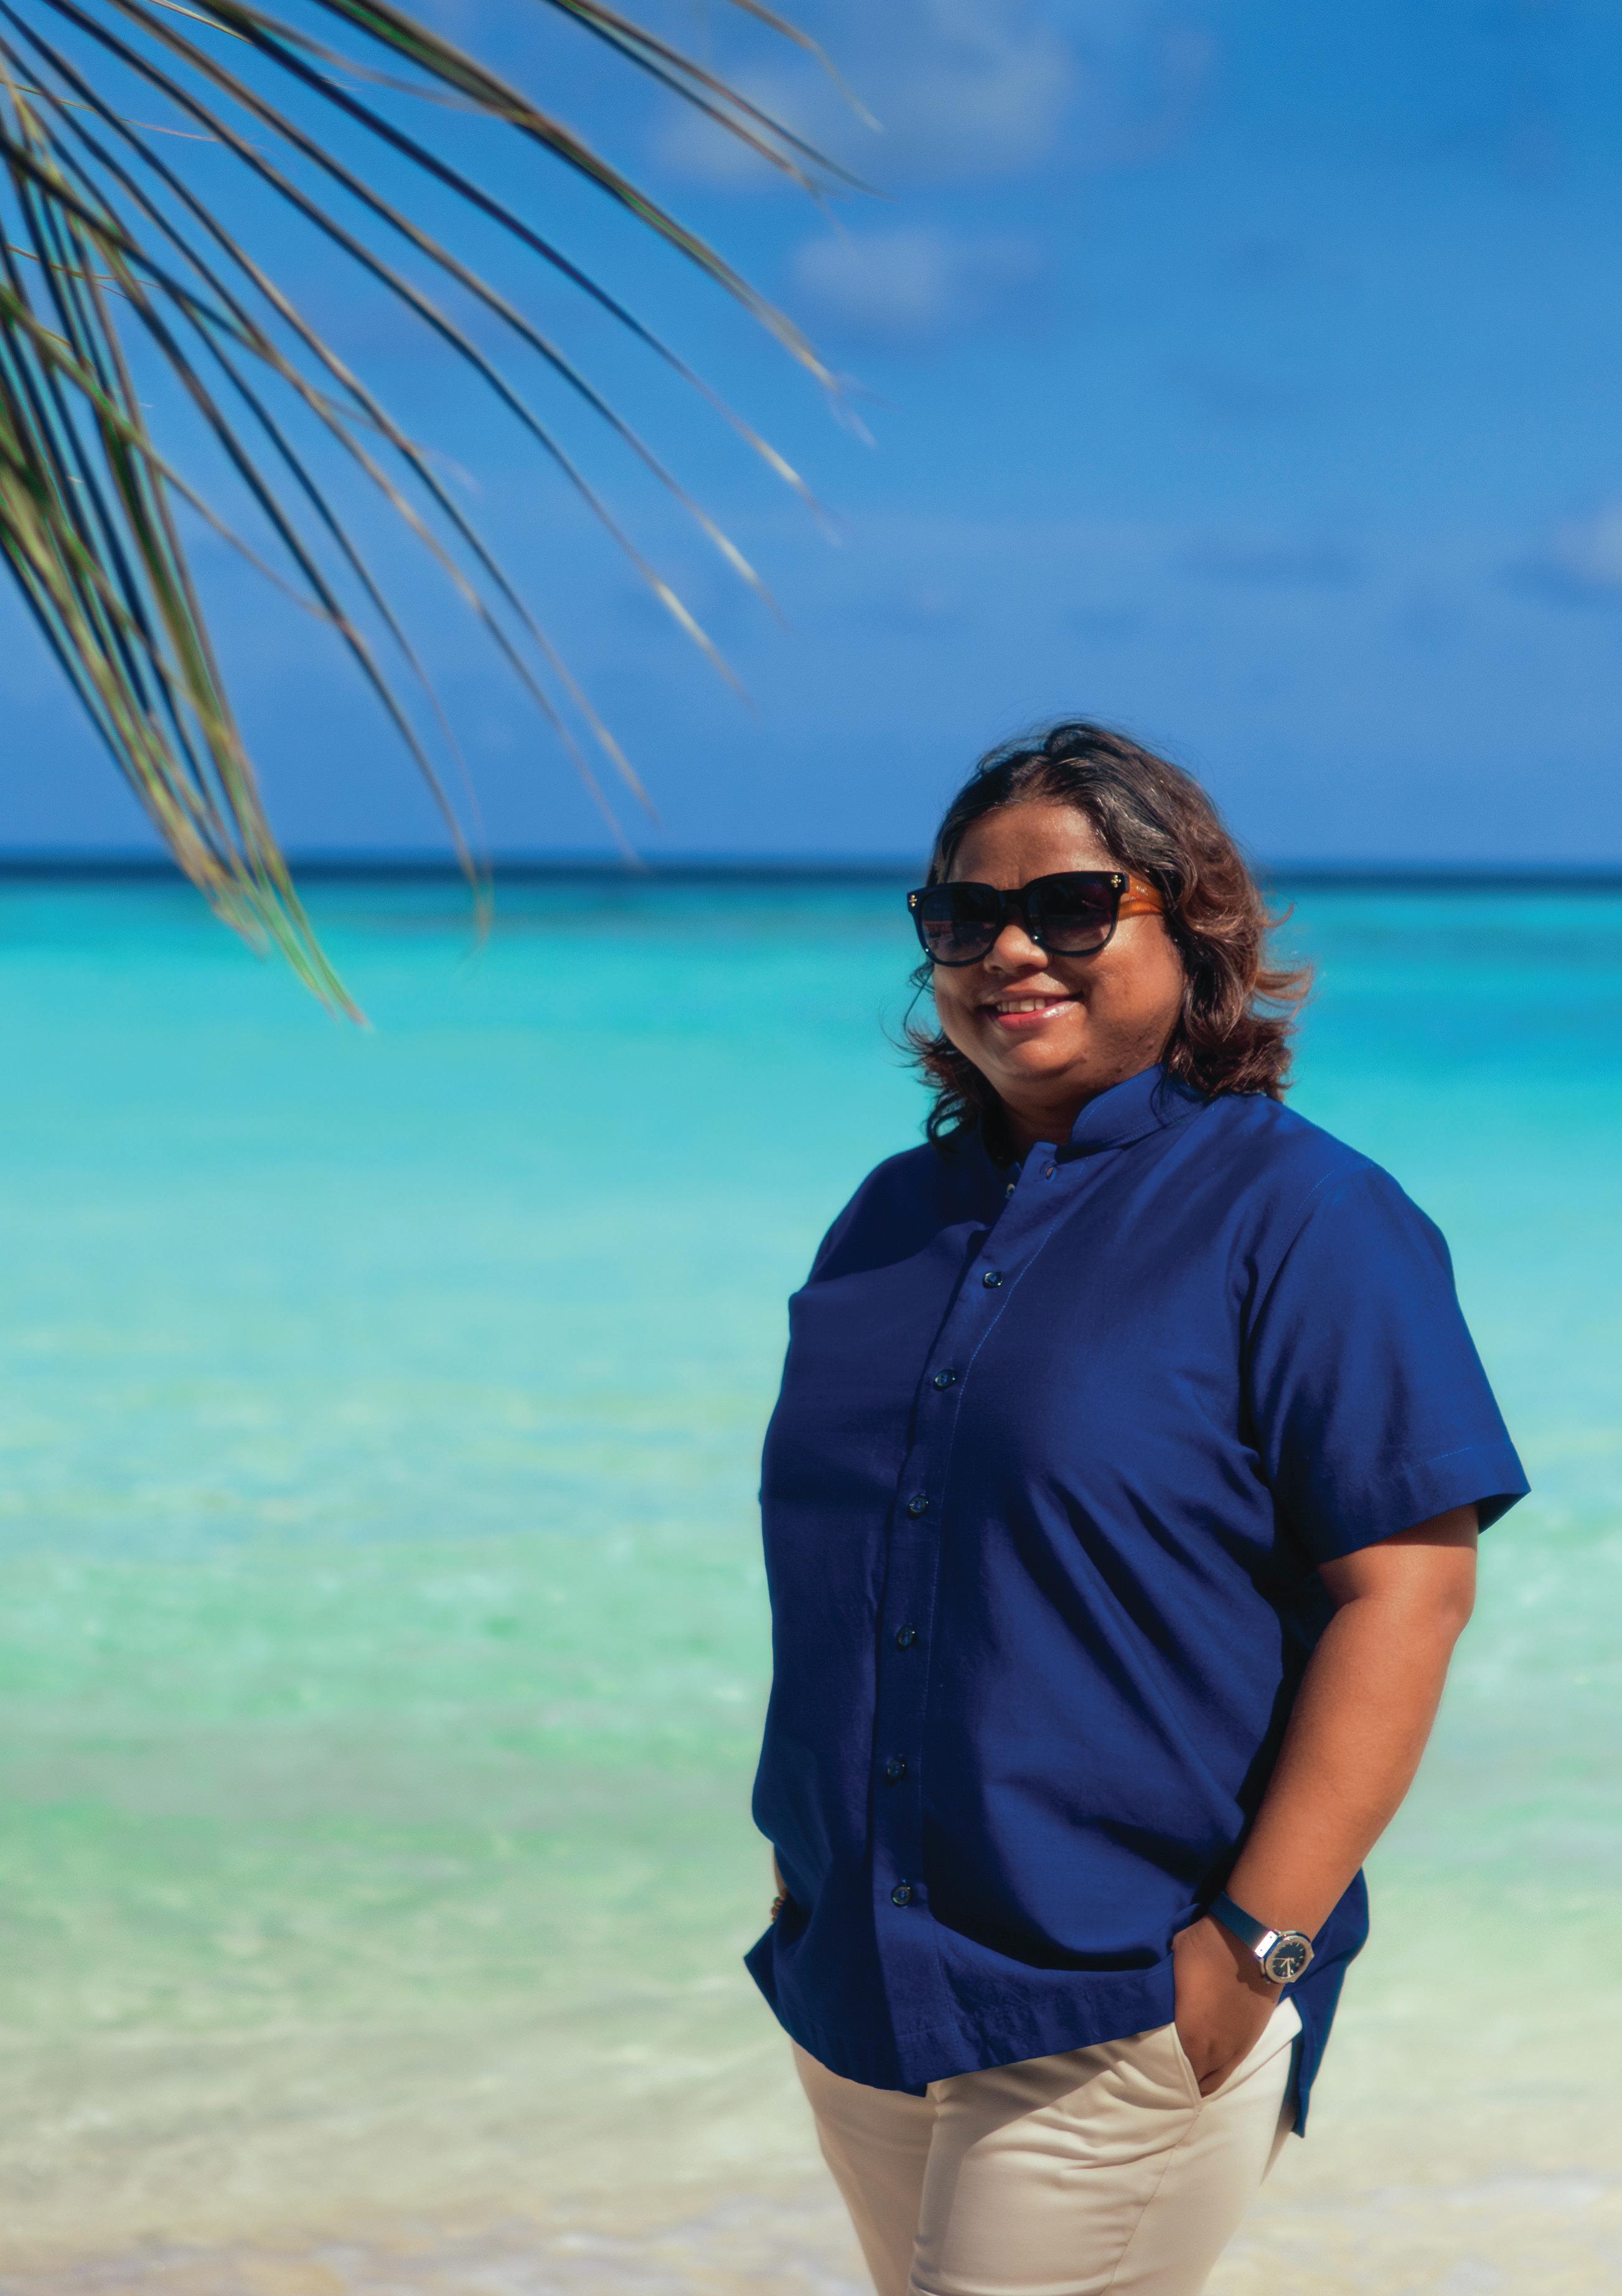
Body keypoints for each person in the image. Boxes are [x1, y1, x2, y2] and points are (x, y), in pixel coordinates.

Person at [744, 721, 1527, 2296]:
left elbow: (1407, 1594)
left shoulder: (1307, 1216)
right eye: (964, 915)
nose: (1009, 950)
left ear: (1195, 924)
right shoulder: (888, 1219)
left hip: (1120, 1999)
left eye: (1071, 906)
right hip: (860, 1982)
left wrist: (1253, 1948)